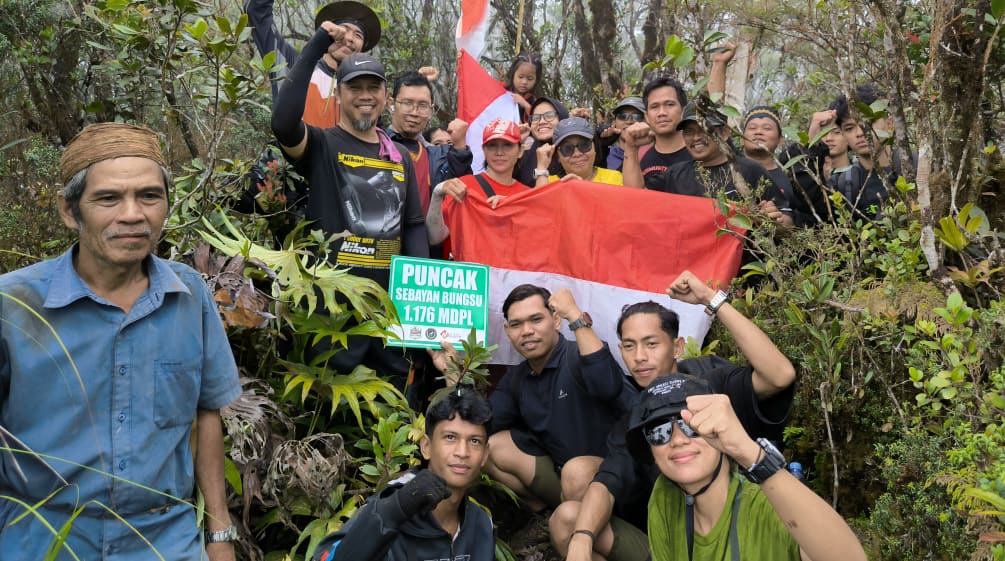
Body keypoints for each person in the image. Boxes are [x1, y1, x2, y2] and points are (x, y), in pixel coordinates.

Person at [0, 122, 242, 560]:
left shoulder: (190, 296)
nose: (132, 214)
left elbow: (207, 415)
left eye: (149, 196)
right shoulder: (14, 305)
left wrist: (219, 536)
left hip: (163, 538)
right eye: (108, 198)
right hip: (40, 536)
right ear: (70, 210)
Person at [551, 270, 796, 561]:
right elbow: (607, 480)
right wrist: (581, 542)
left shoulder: (711, 382)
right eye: (629, 346)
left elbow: (779, 375)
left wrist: (710, 298)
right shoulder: (637, 412)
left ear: (677, 347)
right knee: (569, 518)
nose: (639, 356)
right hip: (671, 541)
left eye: (651, 343)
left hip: (749, 529)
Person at [271, 24, 428, 387]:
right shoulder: (322, 145)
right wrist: (316, 47)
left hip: (388, 312)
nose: (365, 95)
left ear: (386, 96)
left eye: (373, 87)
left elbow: (414, 225)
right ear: (338, 95)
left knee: (394, 408)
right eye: (354, 87)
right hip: (333, 311)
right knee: (332, 412)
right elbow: (283, 123)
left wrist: (417, 298)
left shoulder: (400, 156)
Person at [626, 375, 867, 561]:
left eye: (691, 424)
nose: (678, 440)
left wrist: (749, 453)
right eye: (659, 432)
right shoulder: (664, 495)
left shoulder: (767, 501)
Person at [484, 284, 635, 513]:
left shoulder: (582, 355)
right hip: (564, 479)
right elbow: (483, 423)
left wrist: (575, 316)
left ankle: (583, 527)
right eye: (516, 324)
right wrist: (454, 377)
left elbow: (607, 385)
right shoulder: (517, 377)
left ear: (556, 321)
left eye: (536, 319)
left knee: (577, 471)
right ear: (507, 331)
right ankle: (544, 514)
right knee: (490, 447)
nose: (526, 331)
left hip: (616, 478)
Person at [313, 387, 495, 561]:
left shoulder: (481, 525)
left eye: (474, 441)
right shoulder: (391, 506)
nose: (462, 452)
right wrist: (393, 512)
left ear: (485, 455)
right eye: (450, 437)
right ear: (426, 447)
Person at [245, 0, 380, 126]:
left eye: (358, 35)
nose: (350, 38)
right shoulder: (292, 63)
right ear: (329, 32)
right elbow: (256, 12)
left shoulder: (363, 89)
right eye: (343, 29)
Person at [659, 105, 795, 227]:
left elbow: (787, 220)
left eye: (705, 129)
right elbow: (645, 205)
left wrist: (774, 220)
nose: (696, 138)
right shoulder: (675, 174)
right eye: (689, 132)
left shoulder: (749, 170)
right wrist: (636, 148)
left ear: (725, 133)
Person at [425, 118, 530, 247]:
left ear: (520, 151)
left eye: (507, 145)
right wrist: (437, 193)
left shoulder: (528, 196)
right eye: (492, 145)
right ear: (484, 150)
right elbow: (434, 237)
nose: (499, 152)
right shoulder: (463, 186)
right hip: (471, 266)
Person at [386, 70, 473, 217]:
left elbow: (462, 188)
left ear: (431, 110)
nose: (414, 112)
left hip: (425, 237)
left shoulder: (437, 155)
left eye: (423, 105)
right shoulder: (375, 145)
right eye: (407, 103)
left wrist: (459, 147)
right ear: (391, 104)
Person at [830, 85, 908, 219]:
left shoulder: (915, 167)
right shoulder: (845, 184)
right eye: (849, 128)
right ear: (843, 135)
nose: (860, 132)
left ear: (890, 124)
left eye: (869, 122)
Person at [533, 117, 642, 187]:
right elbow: (540, 214)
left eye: (584, 145)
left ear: (595, 148)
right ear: (558, 157)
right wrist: (541, 168)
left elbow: (635, 200)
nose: (577, 154)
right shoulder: (549, 184)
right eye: (567, 149)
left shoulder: (615, 179)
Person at [631, 77, 693, 190]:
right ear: (647, 117)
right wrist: (631, 149)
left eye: (669, 104)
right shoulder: (638, 158)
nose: (662, 113)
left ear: (683, 111)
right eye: (654, 107)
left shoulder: (701, 153)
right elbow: (632, 199)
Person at [515, 96, 571, 186]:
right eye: (536, 118)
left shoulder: (577, 150)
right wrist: (516, 142)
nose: (541, 122)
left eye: (549, 116)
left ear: (562, 118)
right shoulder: (525, 152)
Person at [599, 96, 648, 171]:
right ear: (614, 122)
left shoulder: (656, 153)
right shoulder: (604, 154)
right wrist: (599, 146)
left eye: (637, 116)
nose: (629, 121)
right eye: (623, 116)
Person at [504, 53, 543, 123]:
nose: (524, 82)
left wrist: (525, 104)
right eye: (520, 77)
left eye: (530, 79)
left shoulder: (533, 100)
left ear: (536, 80)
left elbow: (537, 119)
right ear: (513, 74)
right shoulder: (502, 90)